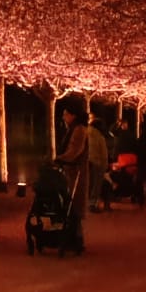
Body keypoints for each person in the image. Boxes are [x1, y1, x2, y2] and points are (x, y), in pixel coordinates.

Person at [55, 103, 92, 251]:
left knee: (74, 206)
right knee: (71, 206)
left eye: (66, 114)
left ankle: (76, 239)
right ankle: (74, 237)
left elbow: (75, 151)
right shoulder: (73, 129)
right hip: (72, 171)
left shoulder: (79, 130)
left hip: (76, 172)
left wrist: (60, 159)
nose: (64, 117)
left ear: (73, 115)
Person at [86, 113, 111, 213]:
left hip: (87, 162)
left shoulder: (85, 133)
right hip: (97, 163)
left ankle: (85, 204)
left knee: (88, 184)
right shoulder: (100, 137)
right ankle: (92, 204)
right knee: (96, 185)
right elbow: (104, 154)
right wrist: (105, 166)